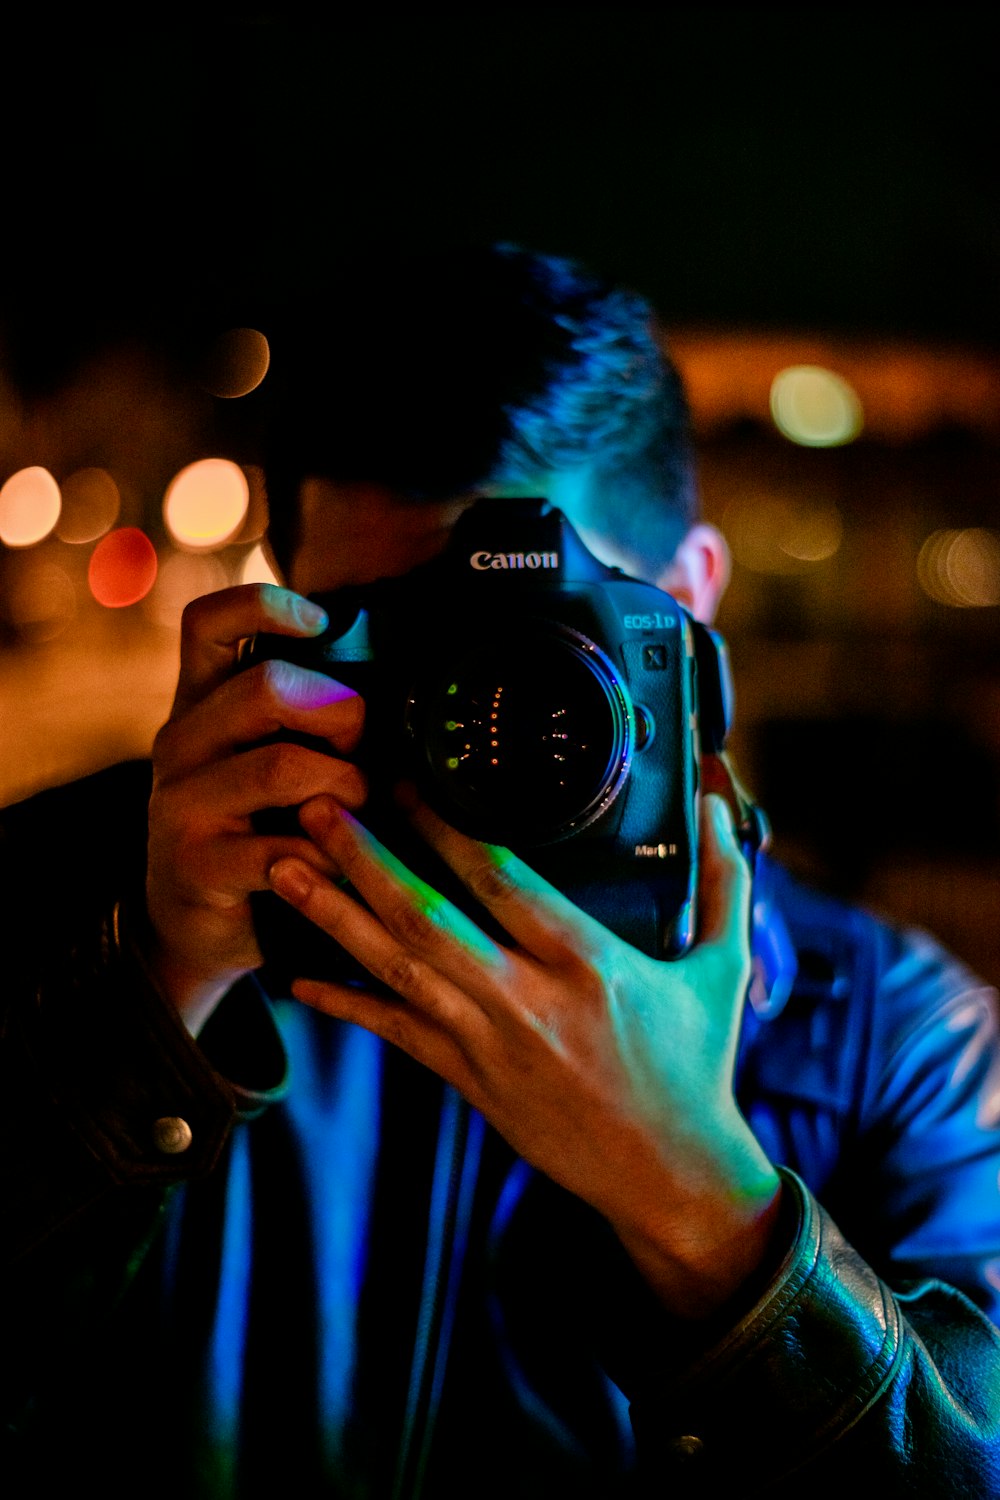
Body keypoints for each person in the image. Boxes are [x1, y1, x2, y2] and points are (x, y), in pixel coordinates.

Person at [2, 244, 999, 1499]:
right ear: (288, 615)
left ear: (686, 611)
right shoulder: (79, 902)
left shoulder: (902, 1048)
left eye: (535, 647)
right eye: (403, 644)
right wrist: (150, 996)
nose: (470, 719)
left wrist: (699, 1200)